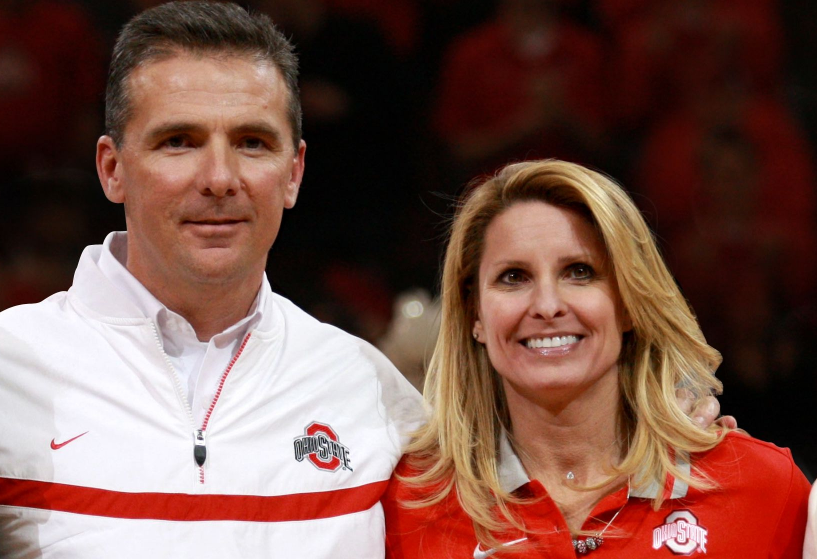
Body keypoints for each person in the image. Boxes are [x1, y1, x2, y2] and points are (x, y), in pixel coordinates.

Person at [0, 2, 423, 557]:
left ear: (293, 173)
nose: (220, 179)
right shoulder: (9, 369)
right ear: (112, 169)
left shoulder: (370, 390)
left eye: (252, 142)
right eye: (179, 141)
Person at [383, 159, 809, 558]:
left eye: (579, 272)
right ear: (475, 312)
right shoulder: (405, 506)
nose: (547, 306)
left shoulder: (762, 488)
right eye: (514, 277)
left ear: (628, 302)